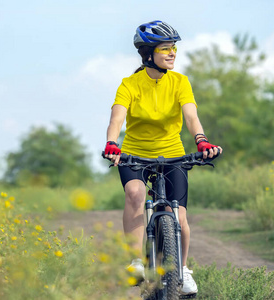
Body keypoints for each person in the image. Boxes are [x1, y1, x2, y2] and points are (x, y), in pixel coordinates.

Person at [103, 20, 222, 297]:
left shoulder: (180, 82)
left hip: (172, 154)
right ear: (148, 54)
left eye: (174, 48)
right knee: (134, 193)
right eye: (165, 48)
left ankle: (184, 270)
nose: (172, 53)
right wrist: (111, 143)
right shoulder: (130, 84)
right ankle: (135, 262)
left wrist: (201, 140)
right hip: (134, 154)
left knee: (179, 216)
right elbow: (116, 118)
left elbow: (191, 116)